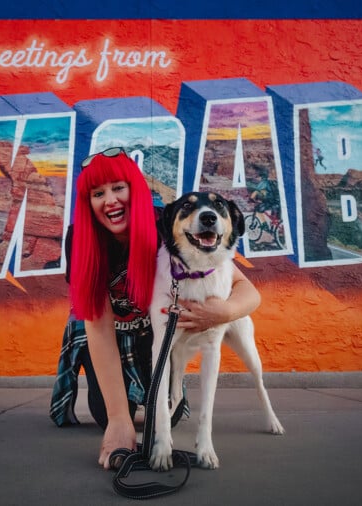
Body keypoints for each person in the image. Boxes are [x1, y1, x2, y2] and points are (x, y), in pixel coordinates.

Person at [50, 147, 262, 470]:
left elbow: (247, 290)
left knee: (169, 415)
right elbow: (98, 324)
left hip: (153, 333)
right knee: (106, 413)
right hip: (110, 333)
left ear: (134, 190)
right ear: (88, 201)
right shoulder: (80, 237)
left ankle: (155, 397)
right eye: (98, 193)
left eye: (118, 188)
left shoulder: (164, 224)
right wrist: (119, 419)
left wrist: (222, 313)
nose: (110, 201)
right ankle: (123, 405)